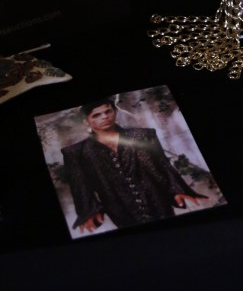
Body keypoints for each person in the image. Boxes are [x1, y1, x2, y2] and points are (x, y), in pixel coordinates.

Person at [61, 98, 205, 233]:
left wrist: (176, 189)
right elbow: (80, 185)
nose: (104, 117)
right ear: (86, 121)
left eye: (108, 111)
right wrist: (89, 211)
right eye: (96, 115)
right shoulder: (76, 153)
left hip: (157, 199)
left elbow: (163, 164)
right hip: (119, 208)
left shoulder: (143, 135)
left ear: (114, 112)